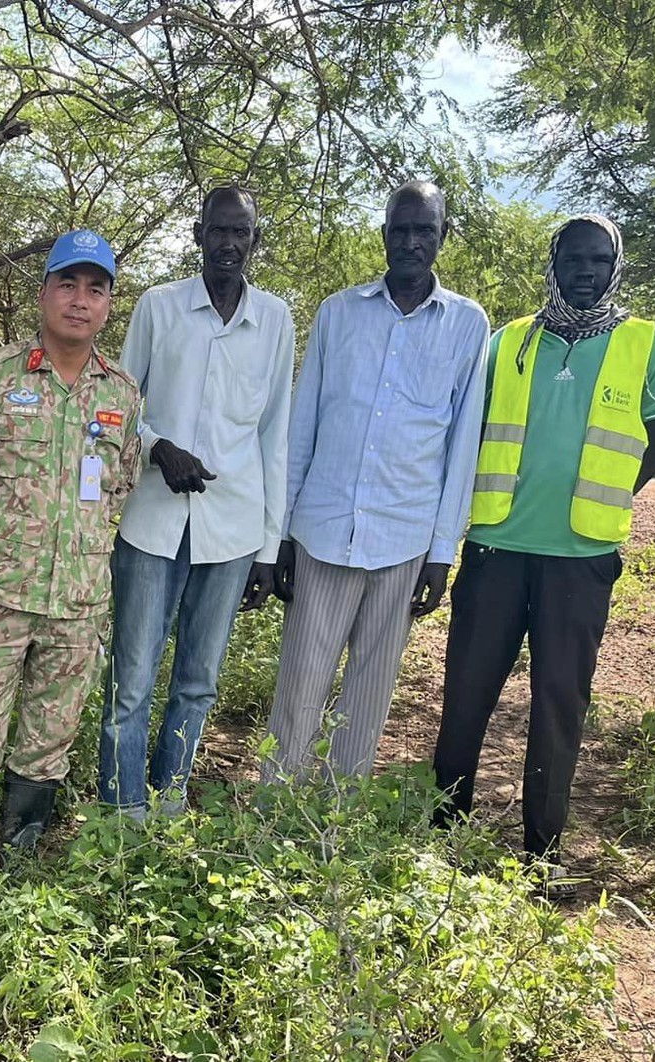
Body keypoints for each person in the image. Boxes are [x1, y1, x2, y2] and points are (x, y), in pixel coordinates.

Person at [431, 214, 655, 883]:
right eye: (573, 258)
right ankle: (442, 829)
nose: (585, 271)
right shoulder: (508, 340)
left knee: (558, 703)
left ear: (614, 266)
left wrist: (598, 499)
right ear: (554, 261)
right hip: (495, 549)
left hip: (580, 558)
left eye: (598, 261)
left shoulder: (645, 344)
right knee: (466, 694)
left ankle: (541, 852)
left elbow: (653, 450)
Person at [261, 182, 490, 785]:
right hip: (324, 530)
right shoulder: (339, 312)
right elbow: (302, 424)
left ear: (443, 238)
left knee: (368, 697)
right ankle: (271, 816)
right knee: (300, 683)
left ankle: (336, 827)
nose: (413, 242)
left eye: (426, 231)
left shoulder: (468, 325)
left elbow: (461, 445)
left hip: (405, 538)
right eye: (402, 229)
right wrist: (281, 534)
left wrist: (443, 553)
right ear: (384, 233)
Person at [0, 230, 142, 868]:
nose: (80, 300)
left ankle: (17, 866)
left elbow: (121, 484)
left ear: (108, 304)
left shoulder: (123, 395)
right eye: (68, 284)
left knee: (48, 741)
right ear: (44, 292)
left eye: (95, 289)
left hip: (76, 603)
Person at [100, 185, 297, 819]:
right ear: (198, 234)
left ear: (254, 242)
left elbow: (274, 438)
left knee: (198, 682)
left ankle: (168, 802)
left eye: (241, 233)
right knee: (132, 680)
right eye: (219, 230)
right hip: (152, 524)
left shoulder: (276, 322)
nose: (229, 244)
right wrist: (159, 448)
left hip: (232, 532)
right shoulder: (158, 309)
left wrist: (268, 548)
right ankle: (122, 809)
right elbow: (121, 407)